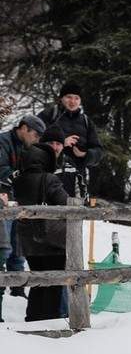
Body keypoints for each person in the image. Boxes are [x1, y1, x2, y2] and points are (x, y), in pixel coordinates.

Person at [12, 129, 70, 321]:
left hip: (29, 240)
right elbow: (65, 203)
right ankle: (51, 319)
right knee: (54, 282)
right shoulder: (50, 179)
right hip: (51, 239)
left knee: (37, 280)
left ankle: (33, 318)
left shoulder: (19, 180)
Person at [0, 115, 47, 310]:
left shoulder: (28, 147)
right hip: (3, 202)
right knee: (5, 247)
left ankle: (18, 290)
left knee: (18, 247)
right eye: (35, 135)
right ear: (24, 128)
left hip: (19, 202)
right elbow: (2, 170)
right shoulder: (3, 142)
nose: (37, 139)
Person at [37, 81, 102, 198]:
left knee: (76, 212)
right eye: (69, 97)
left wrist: (85, 154)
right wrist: (60, 142)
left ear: (80, 101)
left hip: (77, 179)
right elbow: (33, 140)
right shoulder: (50, 114)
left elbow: (98, 151)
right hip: (50, 175)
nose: (72, 101)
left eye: (76, 98)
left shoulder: (86, 121)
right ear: (61, 98)